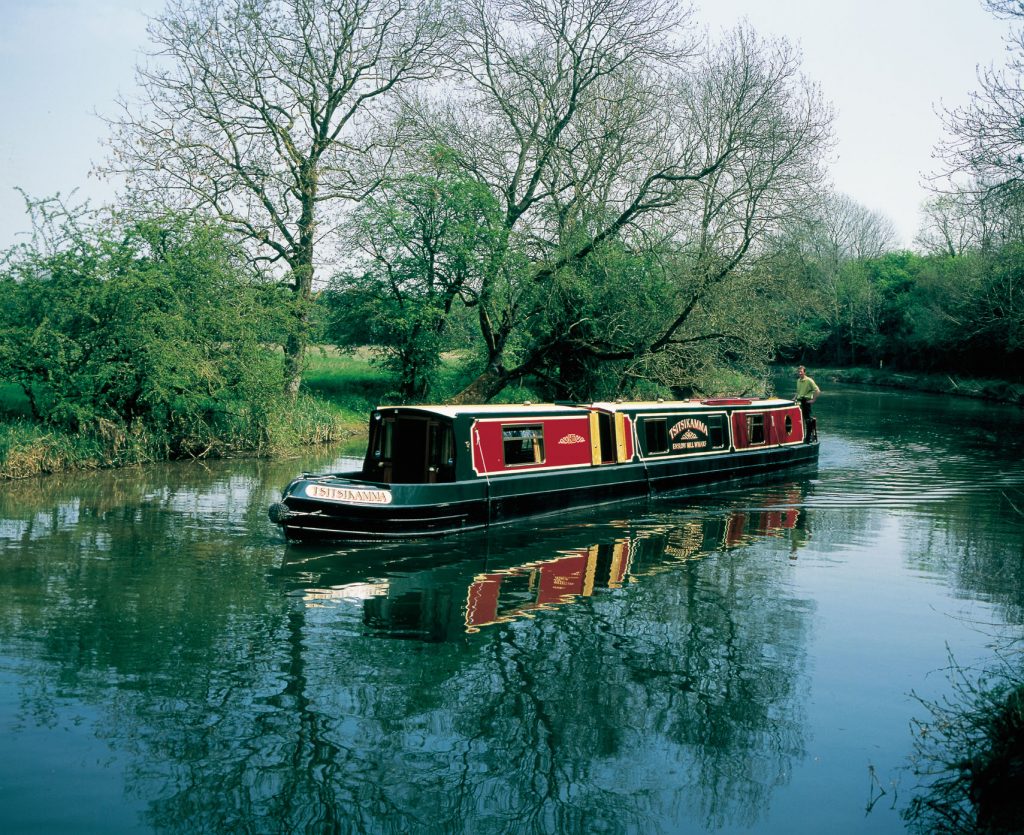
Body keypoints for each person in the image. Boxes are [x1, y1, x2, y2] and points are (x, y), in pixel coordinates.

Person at [794, 366, 820, 441]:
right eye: (798, 372)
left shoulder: (809, 380)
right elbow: (798, 391)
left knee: (807, 420)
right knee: (799, 419)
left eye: (801, 372)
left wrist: (813, 399)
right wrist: (794, 398)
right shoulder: (798, 380)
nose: (799, 373)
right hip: (799, 401)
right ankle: (800, 437)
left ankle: (808, 438)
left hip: (806, 401)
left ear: (804, 372)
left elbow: (817, 391)